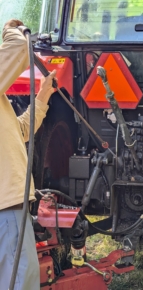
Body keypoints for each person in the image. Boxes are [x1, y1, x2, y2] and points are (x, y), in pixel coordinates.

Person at [0, 19, 56, 290]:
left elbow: (18, 131)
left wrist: (42, 97)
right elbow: (22, 48)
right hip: (6, 209)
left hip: (10, 207)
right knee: (21, 282)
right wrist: (10, 28)